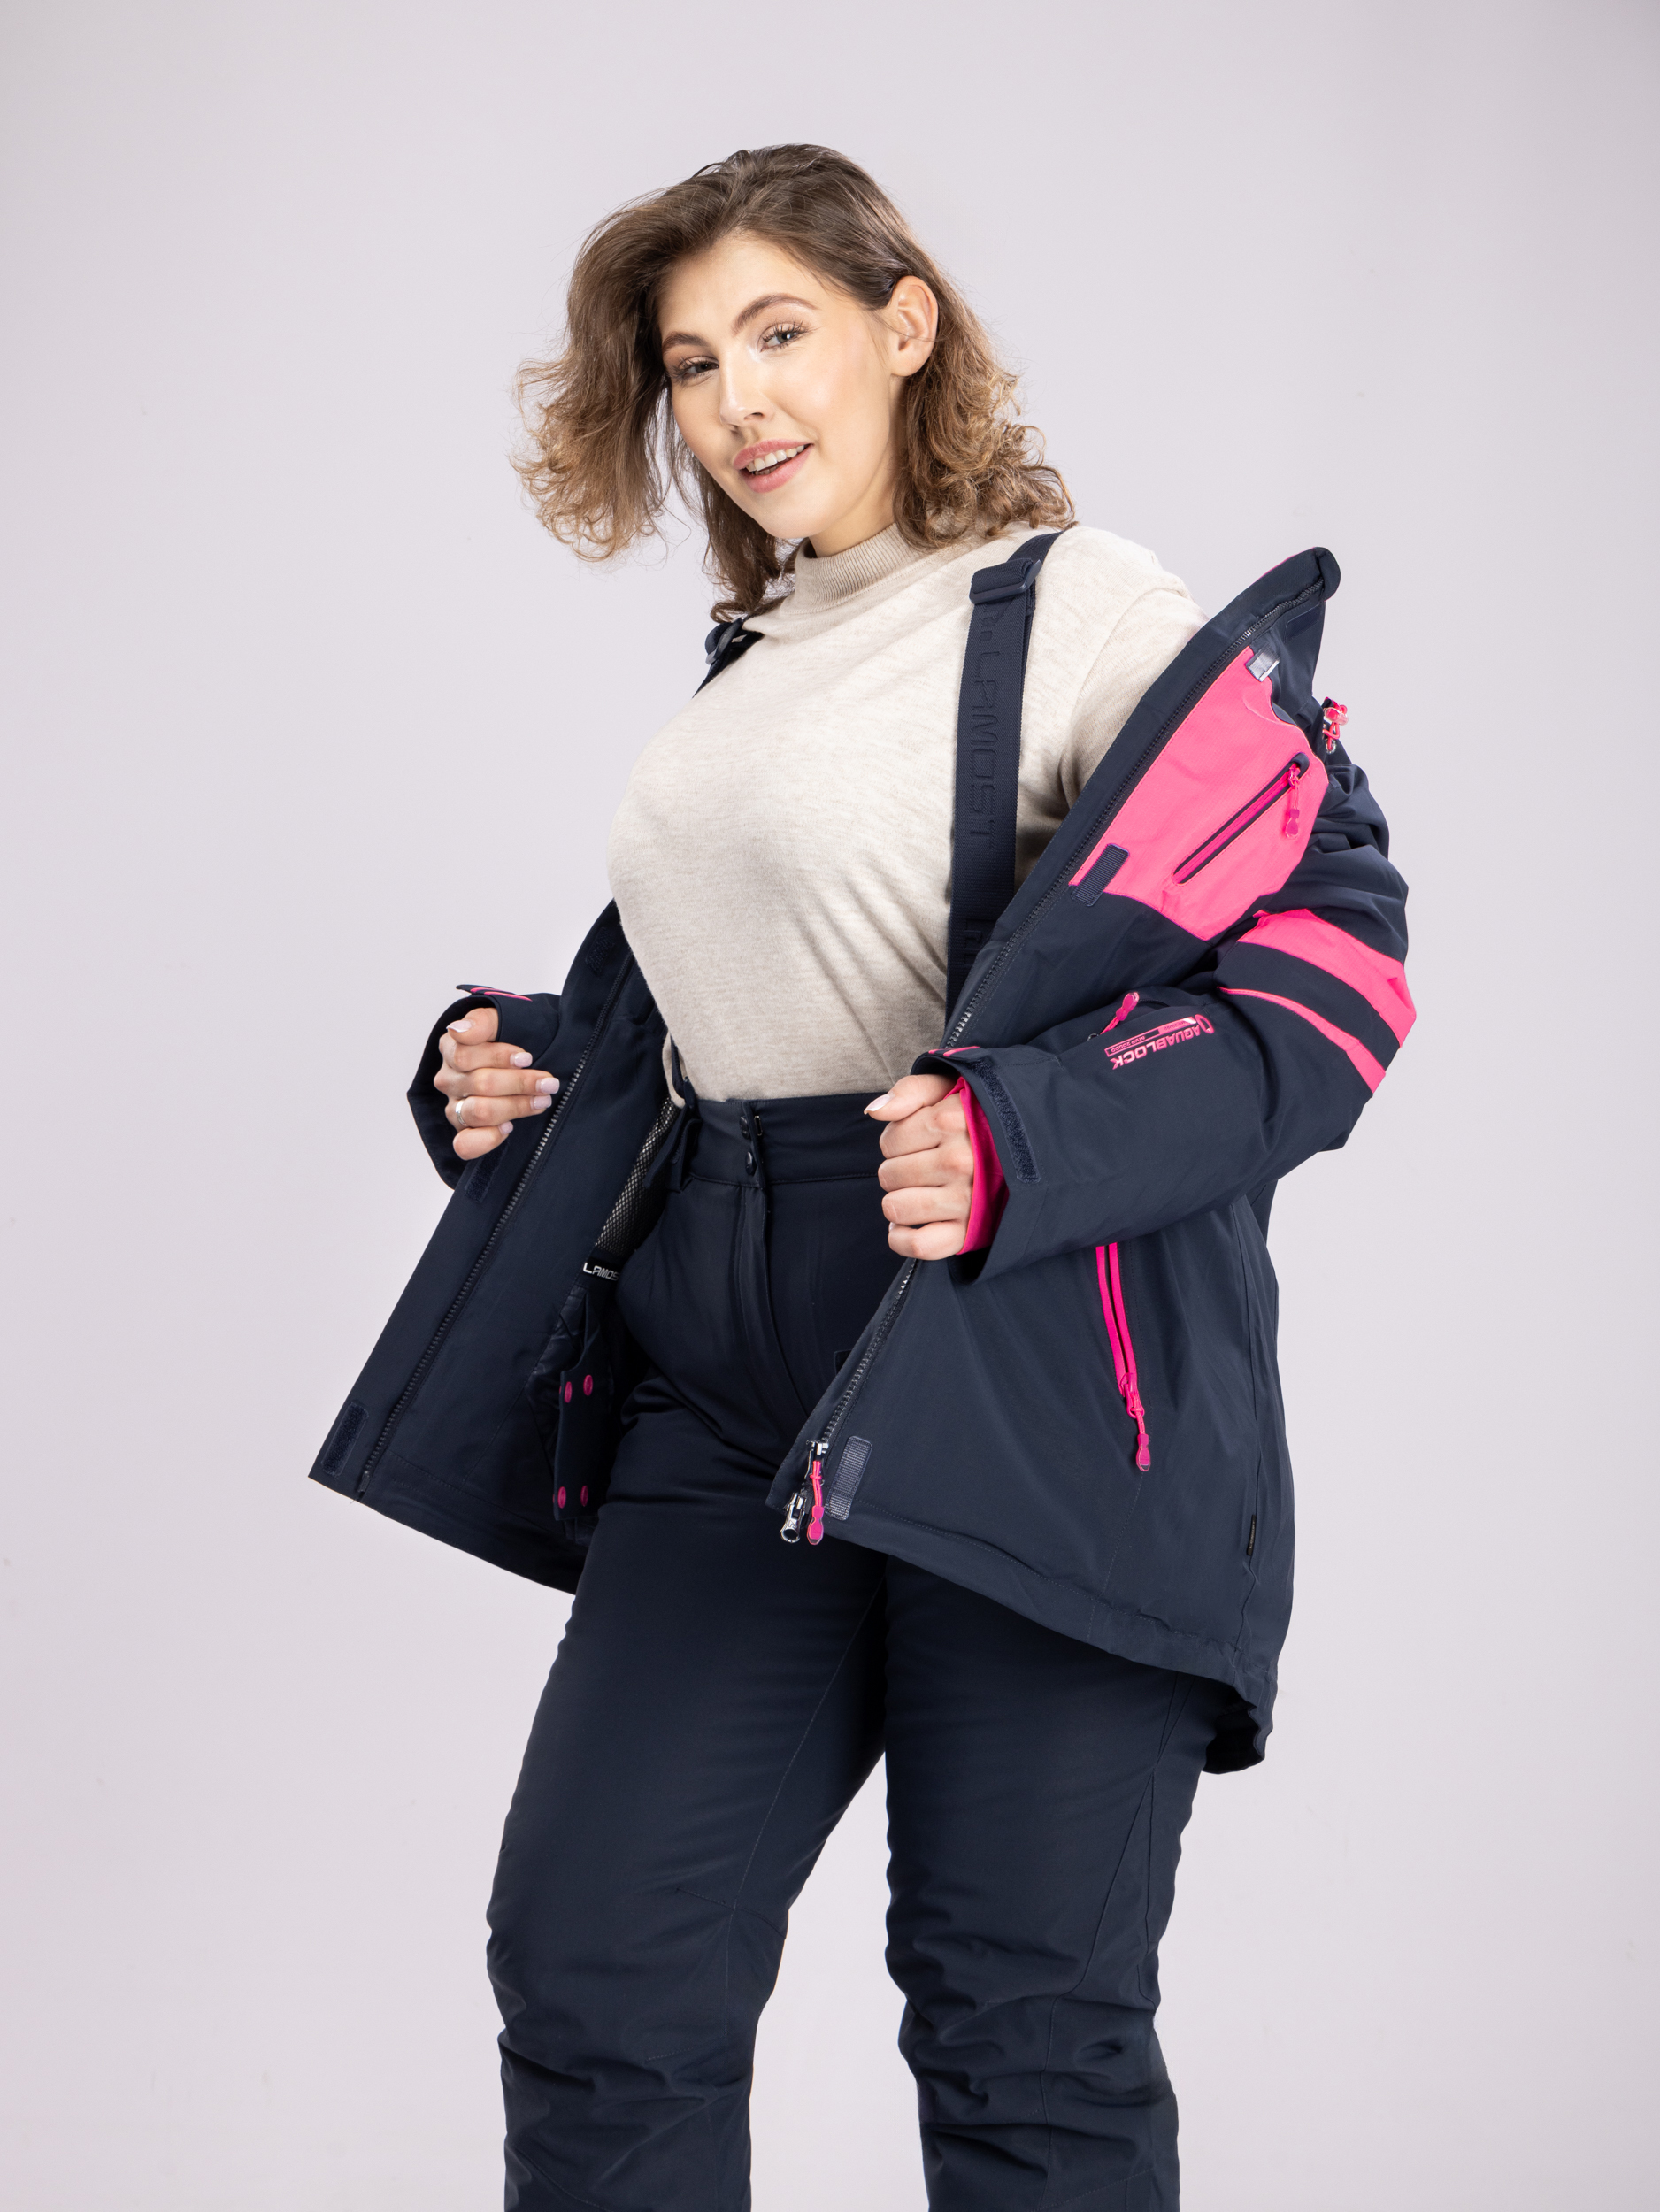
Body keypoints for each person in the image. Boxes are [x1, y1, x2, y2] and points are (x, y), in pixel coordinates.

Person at [311, 143, 1414, 2210]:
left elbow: (1335, 955)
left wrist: (1024, 1137)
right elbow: (756, 1003)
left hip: (1035, 1380)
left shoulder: (1078, 607)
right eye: (691, 362)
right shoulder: (761, 650)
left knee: (1020, 2019)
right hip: (723, 1391)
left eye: (780, 331)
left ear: (903, 326)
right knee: (597, 1965)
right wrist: (529, 1070)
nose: (737, 399)